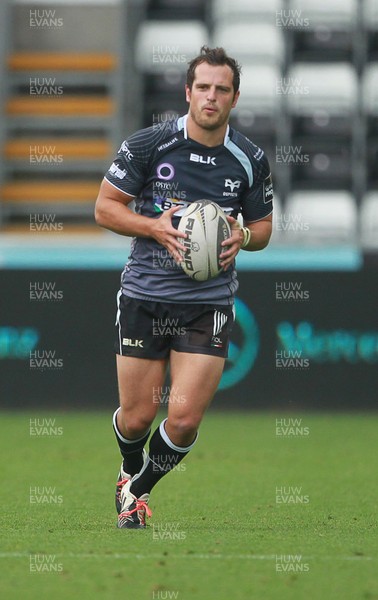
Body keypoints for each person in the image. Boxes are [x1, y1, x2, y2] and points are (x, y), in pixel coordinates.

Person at [95, 46, 273, 529]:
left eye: (221, 89)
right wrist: (153, 227)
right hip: (145, 295)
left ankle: (137, 491)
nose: (211, 97)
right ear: (188, 92)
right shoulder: (150, 144)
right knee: (136, 420)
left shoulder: (249, 159)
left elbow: (263, 229)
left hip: (207, 302)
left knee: (184, 419)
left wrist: (244, 237)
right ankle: (130, 466)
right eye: (203, 87)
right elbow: (105, 208)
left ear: (235, 98)